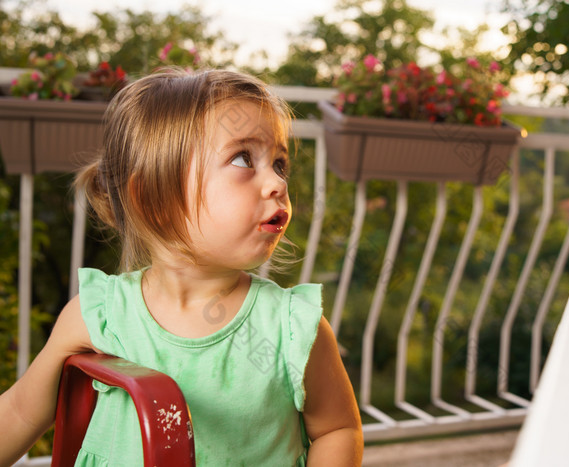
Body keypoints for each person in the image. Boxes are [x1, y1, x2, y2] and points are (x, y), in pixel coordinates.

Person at [0, 69, 363, 466]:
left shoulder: (292, 327)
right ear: (153, 198)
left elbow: (337, 430)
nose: (276, 182)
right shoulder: (99, 314)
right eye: (244, 158)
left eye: (279, 163)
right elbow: (20, 412)